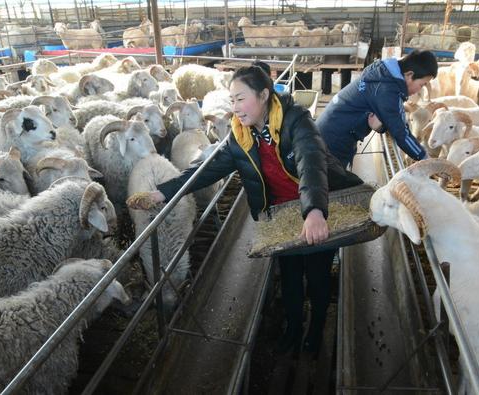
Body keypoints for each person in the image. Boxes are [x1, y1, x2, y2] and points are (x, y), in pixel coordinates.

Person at [127, 61, 361, 354]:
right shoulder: (240, 135)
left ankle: (315, 330)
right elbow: (207, 169)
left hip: (317, 205)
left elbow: (311, 161)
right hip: (280, 214)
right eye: (232, 100)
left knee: (317, 274)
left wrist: (314, 210)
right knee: (289, 274)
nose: (235, 108)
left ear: (264, 96)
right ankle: (293, 327)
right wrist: (163, 193)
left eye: (241, 99)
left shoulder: (296, 120)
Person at [317, 49, 438, 168]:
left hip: (327, 135)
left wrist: (382, 127)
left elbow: (385, 116)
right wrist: (424, 158)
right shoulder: (387, 90)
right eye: (421, 84)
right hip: (332, 143)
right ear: (409, 75)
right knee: (334, 183)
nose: (420, 90)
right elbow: (401, 133)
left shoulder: (382, 75)